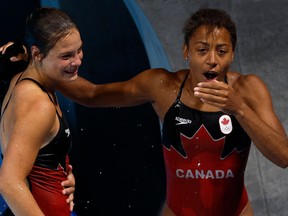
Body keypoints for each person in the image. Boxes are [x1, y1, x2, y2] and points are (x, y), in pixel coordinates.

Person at [2, 7, 288, 216]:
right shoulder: (161, 86)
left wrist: (239, 108)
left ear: (233, 54)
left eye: (222, 51)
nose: (212, 60)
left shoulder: (249, 89)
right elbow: (91, 94)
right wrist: (36, 63)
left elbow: (284, 156)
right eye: (202, 50)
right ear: (186, 51)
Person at [0, 7, 81, 216]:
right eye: (66, 55)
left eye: (79, 50)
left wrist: (62, 175)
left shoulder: (20, 81)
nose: (77, 61)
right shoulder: (38, 104)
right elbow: (9, 182)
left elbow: (38, 163)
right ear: (37, 54)